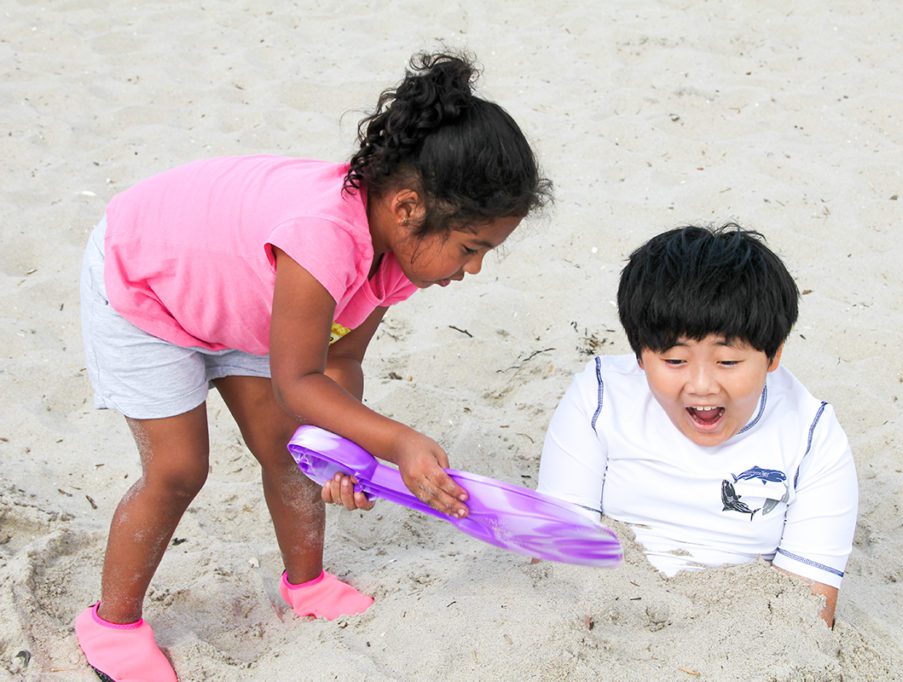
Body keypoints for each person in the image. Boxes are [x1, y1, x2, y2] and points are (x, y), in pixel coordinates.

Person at [75, 52, 551, 681]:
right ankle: (113, 625)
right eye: (470, 249)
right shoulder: (322, 235)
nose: (473, 270)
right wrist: (398, 442)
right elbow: (296, 379)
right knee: (179, 467)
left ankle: (307, 583)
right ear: (409, 207)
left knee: (289, 446)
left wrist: (344, 450)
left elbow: (340, 358)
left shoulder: (400, 256)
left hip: (247, 298)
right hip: (147, 283)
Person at [535, 225, 858, 627]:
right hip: (608, 610)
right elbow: (558, 549)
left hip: (739, 630)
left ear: (773, 355)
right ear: (640, 355)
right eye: (674, 361)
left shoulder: (812, 436)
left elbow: (807, 609)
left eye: (728, 363)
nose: (702, 386)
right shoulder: (599, 397)